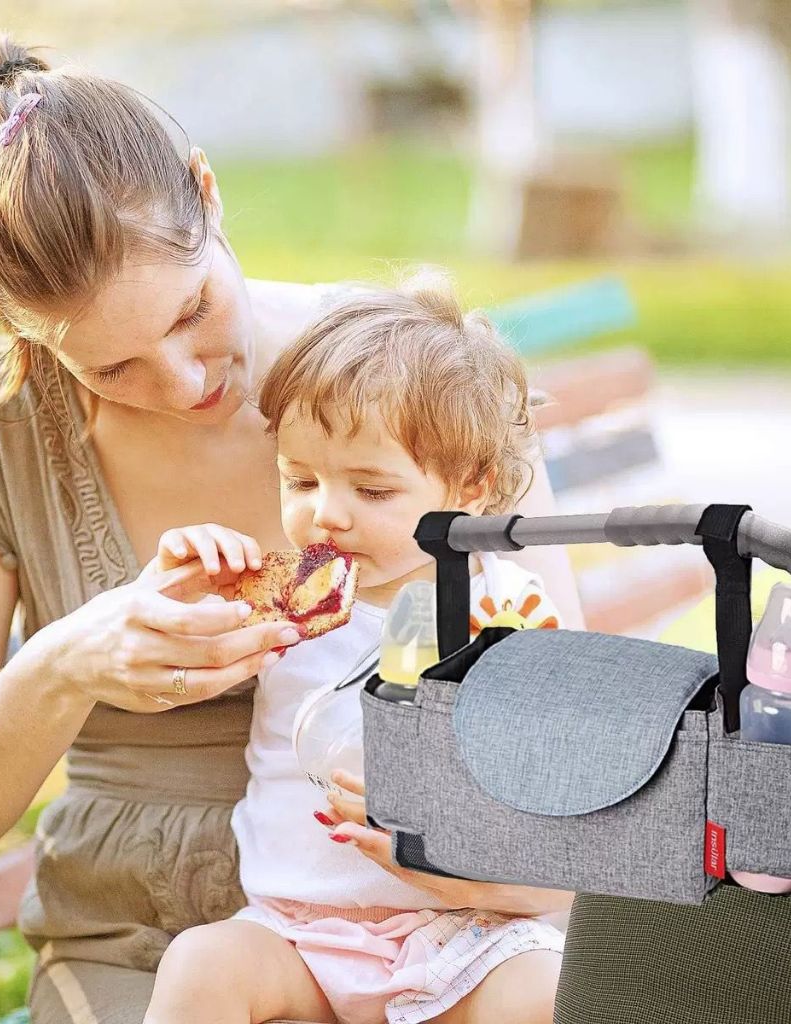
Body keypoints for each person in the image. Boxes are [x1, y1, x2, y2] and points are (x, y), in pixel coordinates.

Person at [0, 27, 584, 1024]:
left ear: (207, 190)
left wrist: (474, 859)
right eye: (109, 369)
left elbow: (584, 760)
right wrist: (64, 664)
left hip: (449, 918)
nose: (185, 383)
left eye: (192, 309)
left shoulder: (419, 387)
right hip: (151, 937)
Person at [142, 278, 572, 1024]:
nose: (325, 515)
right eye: (300, 479)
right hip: (295, 934)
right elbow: (167, 668)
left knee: (544, 989)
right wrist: (179, 592)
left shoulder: (509, 613)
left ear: (474, 486)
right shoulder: (281, 594)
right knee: (201, 964)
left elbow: (554, 791)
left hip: (462, 933)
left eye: (372, 492)